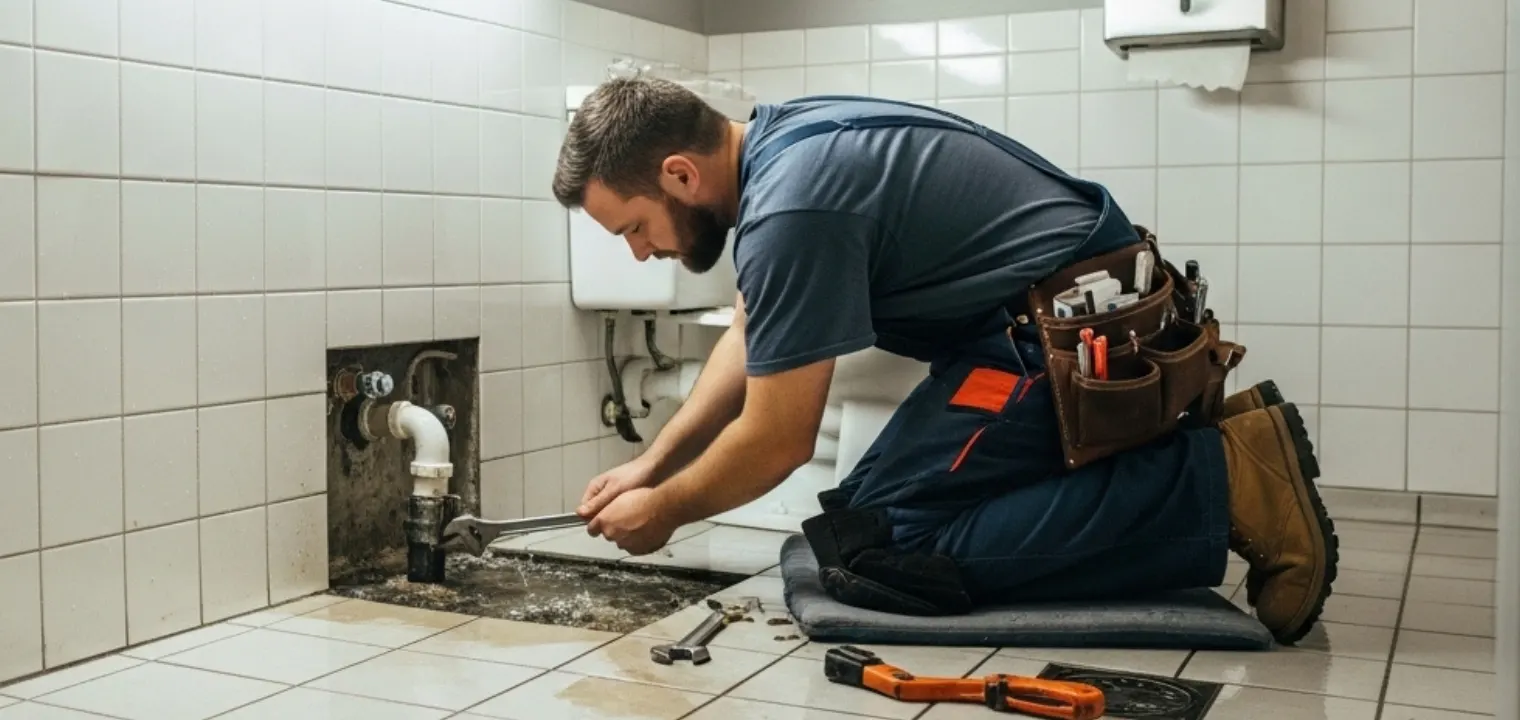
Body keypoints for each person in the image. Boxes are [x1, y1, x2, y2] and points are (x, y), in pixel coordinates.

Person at [549, 76, 1338, 646]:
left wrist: (667, 512)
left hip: (1055, 342)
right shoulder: (782, 143)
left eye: (634, 227)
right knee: (855, 530)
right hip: (1043, 326)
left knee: (882, 555)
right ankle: (1174, 465)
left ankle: (1218, 482)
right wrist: (653, 463)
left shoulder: (791, 207)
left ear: (679, 174)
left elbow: (778, 438)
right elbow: (751, 337)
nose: (640, 252)